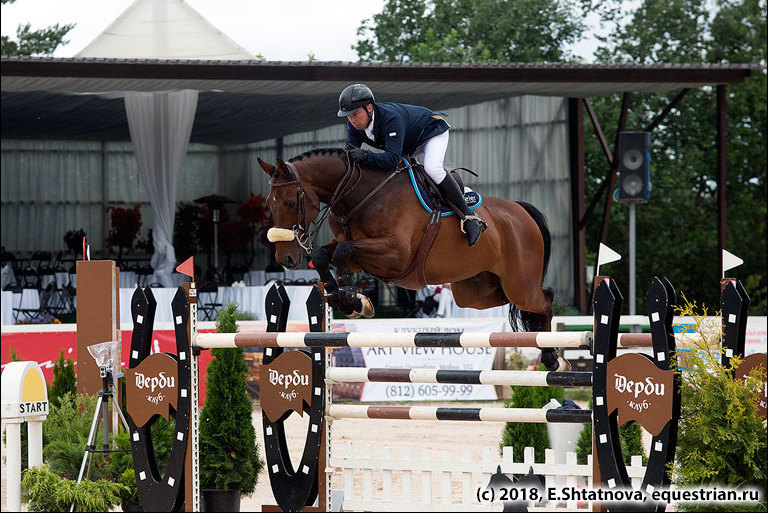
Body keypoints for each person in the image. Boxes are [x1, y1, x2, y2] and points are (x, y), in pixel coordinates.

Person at [337, 83, 486, 247]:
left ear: (370, 108)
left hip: (430, 133)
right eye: (348, 116)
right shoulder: (354, 125)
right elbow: (349, 155)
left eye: (355, 114)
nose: (352, 120)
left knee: (432, 169)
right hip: (407, 143)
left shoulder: (390, 118)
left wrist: (366, 155)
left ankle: (469, 216)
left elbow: (392, 159)